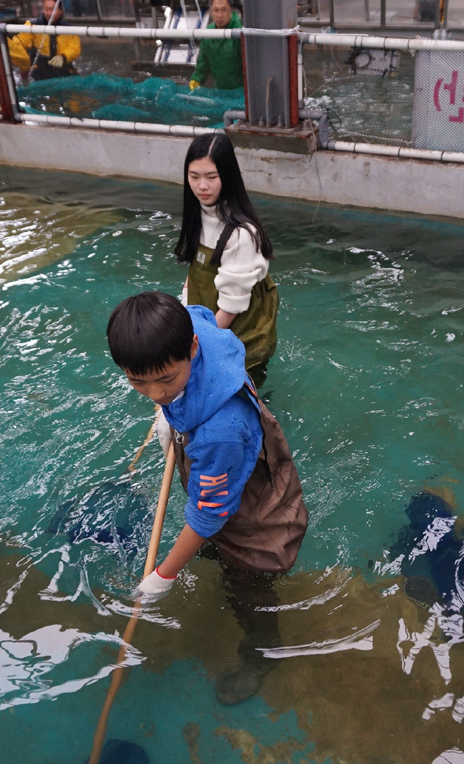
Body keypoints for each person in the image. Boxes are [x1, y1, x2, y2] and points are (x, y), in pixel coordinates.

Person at [108, 291, 308, 705]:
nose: (155, 394)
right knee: (216, 548)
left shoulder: (220, 431)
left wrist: (163, 575)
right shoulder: (193, 326)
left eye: (166, 380)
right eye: (138, 381)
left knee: (250, 585)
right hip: (227, 457)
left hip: (255, 509)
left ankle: (261, 654)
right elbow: (196, 311)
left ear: (193, 348)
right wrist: (171, 407)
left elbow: (206, 515)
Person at [174, 133, 277, 386]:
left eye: (211, 177)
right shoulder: (198, 213)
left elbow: (231, 307)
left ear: (227, 177)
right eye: (194, 177)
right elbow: (194, 272)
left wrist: (192, 351)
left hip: (242, 338)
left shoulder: (242, 234)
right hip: (207, 330)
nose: (202, 187)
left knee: (245, 401)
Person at [8, 0, 79, 81]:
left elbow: (74, 48)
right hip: (39, 74)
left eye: (52, 10)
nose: (49, 13)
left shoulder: (68, 29)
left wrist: (63, 56)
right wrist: (23, 64)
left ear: (60, 11)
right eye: (46, 9)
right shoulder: (32, 26)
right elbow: (18, 42)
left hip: (63, 72)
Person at [189, 0, 242, 91]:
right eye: (216, 10)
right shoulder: (209, 33)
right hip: (220, 92)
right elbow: (203, 64)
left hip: (242, 93)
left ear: (231, 11)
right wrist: (196, 80)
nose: (219, 15)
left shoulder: (240, 32)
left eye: (224, 10)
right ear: (211, 12)